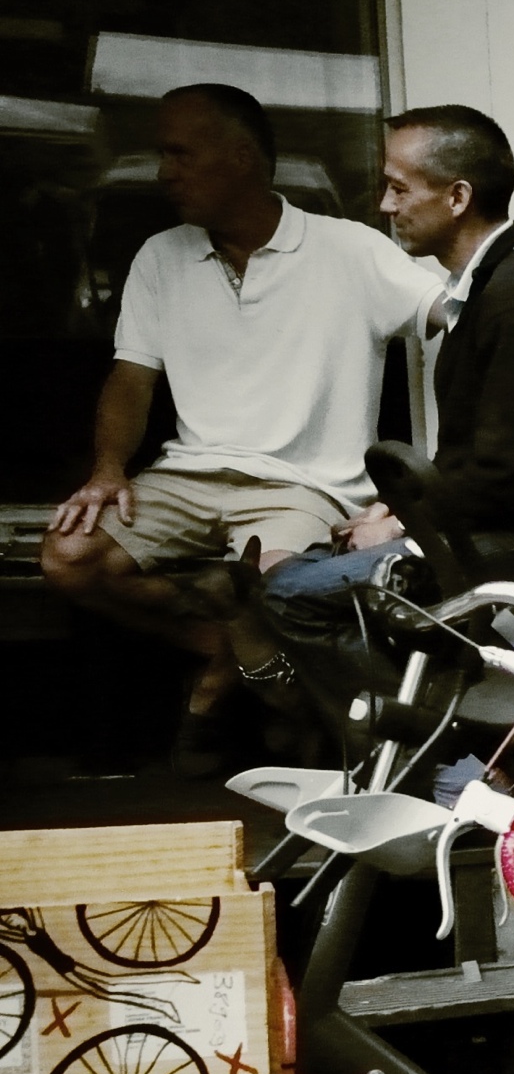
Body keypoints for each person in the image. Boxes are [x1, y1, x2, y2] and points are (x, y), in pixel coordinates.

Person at [40, 83, 445, 773]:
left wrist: (424, 483)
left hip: (304, 485)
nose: (165, 172)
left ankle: (275, 712)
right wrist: (108, 469)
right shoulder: (161, 256)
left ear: (241, 158)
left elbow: (462, 324)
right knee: (68, 558)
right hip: (189, 473)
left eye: (180, 153)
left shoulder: (348, 250)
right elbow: (131, 379)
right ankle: (220, 641)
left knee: (286, 592)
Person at [259, 104, 514, 698]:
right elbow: (479, 458)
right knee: (291, 572)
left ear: (457, 197)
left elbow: (505, 478)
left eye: (398, 188)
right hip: (490, 531)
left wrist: (400, 525)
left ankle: (435, 759)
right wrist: (394, 512)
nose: (385, 206)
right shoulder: (494, 281)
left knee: (288, 594)